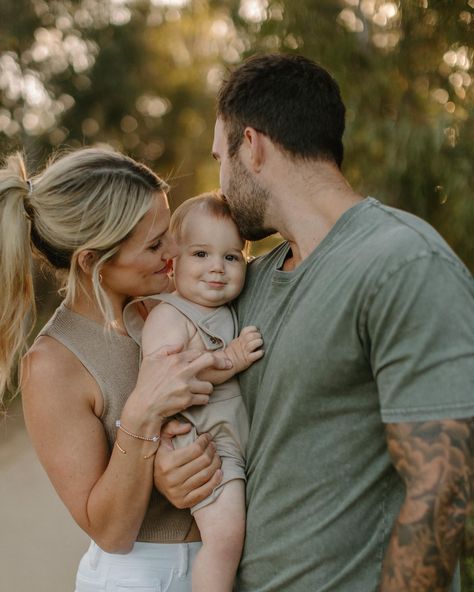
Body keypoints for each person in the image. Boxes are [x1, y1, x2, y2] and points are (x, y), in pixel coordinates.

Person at [153, 54, 474, 591]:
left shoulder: (403, 264)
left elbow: (443, 487)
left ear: (251, 147)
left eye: (219, 158)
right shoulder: (246, 282)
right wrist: (173, 468)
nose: (221, 183)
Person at [0, 147, 230, 592]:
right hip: (144, 578)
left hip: (223, 565)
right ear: (92, 264)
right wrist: (142, 418)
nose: (176, 250)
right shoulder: (53, 364)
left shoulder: (178, 301)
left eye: (170, 232)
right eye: (154, 244)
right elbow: (109, 531)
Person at [124, 192, 263, 591]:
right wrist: (231, 359)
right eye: (201, 254)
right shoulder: (168, 315)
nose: (217, 268)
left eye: (232, 257)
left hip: (231, 436)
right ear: (173, 261)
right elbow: (169, 377)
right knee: (224, 541)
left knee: (239, 538)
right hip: (203, 443)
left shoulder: (225, 310)